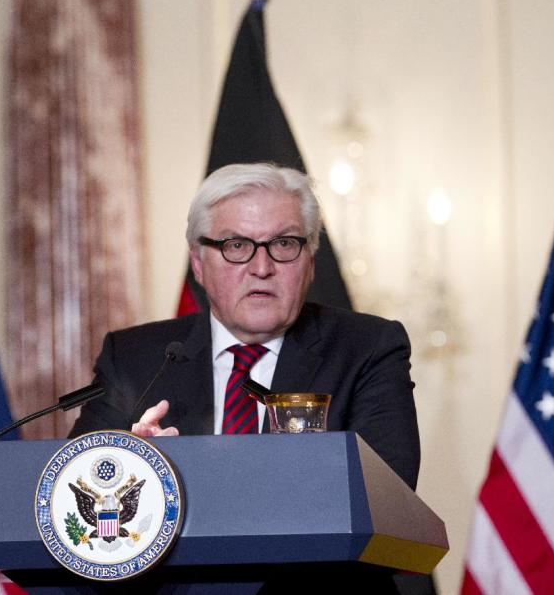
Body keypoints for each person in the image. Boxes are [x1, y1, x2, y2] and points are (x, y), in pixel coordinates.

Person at [69, 162, 420, 490]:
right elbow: (76, 487)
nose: (261, 267)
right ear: (198, 264)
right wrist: (133, 468)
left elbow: (387, 494)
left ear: (311, 262)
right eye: (236, 245)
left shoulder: (367, 350)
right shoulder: (134, 358)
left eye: (284, 244)